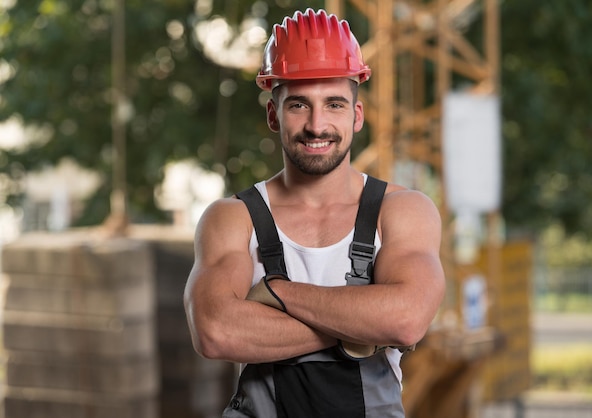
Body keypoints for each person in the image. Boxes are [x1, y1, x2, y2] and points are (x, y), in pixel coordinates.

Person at [184, 8, 445, 418]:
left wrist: (276, 294)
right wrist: (362, 329)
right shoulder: (233, 218)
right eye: (299, 105)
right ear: (273, 114)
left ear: (357, 116)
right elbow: (216, 332)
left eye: (335, 104)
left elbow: (407, 321)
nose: (317, 125)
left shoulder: (402, 211)